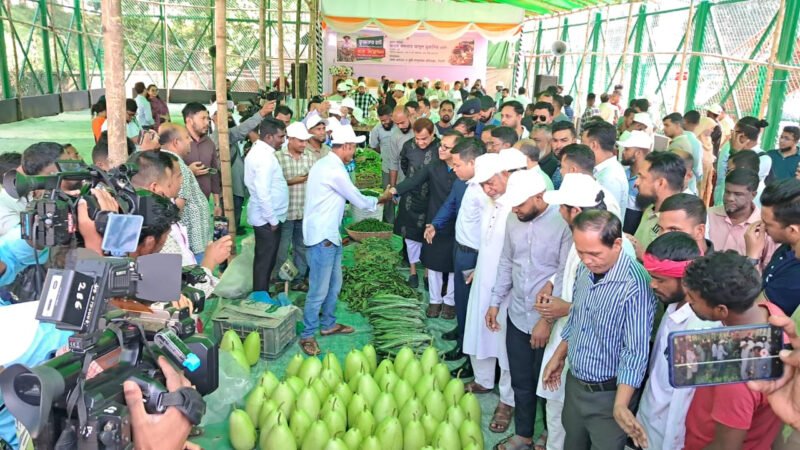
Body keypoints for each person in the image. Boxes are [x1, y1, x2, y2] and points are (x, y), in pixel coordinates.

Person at [541, 210, 656, 450]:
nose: (586, 260)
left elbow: (634, 352)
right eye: (580, 252)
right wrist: (558, 355)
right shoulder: (586, 270)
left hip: (609, 395)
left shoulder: (636, 286)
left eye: (594, 253)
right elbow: (578, 317)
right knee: (572, 441)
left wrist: (620, 405)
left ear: (617, 244)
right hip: (575, 385)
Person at [533, 173, 632, 450]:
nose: (560, 214)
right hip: (567, 338)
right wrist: (553, 284)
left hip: (593, 361)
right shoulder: (581, 235)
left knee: (576, 425)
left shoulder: (610, 250)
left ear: (575, 210)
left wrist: (565, 307)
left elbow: (613, 312)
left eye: (562, 208)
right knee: (558, 413)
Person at [487, 168, 571, 450]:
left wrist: (545, 322)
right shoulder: (513, 219)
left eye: (521, 204)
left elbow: (563, 273)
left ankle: (548, 433)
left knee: (548, 380)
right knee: (521, 378)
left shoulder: (562, 221)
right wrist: (495, 301)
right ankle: (523, 434)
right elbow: (507, 261)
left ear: (539, 197)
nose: (516, 209)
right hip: (517, 314)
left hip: (549, 322)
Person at [613, 232, 715, 450]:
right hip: (647, 426)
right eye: (652, 278)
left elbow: (682, 402)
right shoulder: (671, 305)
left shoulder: (700, 327)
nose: (653, 285)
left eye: (660, 280)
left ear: (686, 278)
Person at [300, 125, 392, 355]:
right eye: (354, 148)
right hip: (323, 237)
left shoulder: (325, 163)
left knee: (334, 285)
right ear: (347, 147)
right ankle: (307, 334)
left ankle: (329, 324)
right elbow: (358, 200)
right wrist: (382, 198)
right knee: (318, 290)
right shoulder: (334, 169)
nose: (355, 153)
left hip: (329, 234)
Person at [683, 251, 785, 450]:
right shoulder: (772, 313)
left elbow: (724, 446)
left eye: (693, 299)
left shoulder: (737, 372)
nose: (688, 302)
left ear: (722, 310)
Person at [462, 152, 516, 433]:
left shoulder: (517, 206)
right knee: (479, 330)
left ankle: (507, 400)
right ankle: (483, 379)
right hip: (483, 278)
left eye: (490, 183)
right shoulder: (489, 202)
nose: (487, 189)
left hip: (508, 287)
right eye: (482, 184)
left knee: (506, 343)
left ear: (505, 174)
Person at [427, 138, 486, 370]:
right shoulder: (462, 183)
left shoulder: (485, 190)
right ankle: (461, 336)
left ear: (472, 163)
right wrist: (435, 224)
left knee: (471, 304)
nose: (453, 169)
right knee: (462, 301)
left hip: (473, 254)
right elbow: (450, 205)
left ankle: (469, 353)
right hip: (459, 248)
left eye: (458, 164)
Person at [393, 131, 461, 318]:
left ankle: (449, 301)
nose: (441, 149)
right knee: (433, 261)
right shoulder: (434, 166)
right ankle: (434, 300)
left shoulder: (464, 171)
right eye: (441, 145)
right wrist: (394, 190)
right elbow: (414, 181)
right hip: (434, 219)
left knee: (453, 264)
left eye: (446, 147)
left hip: (457, 223)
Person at [158, 123, 214, 262]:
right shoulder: (177, 165)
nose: (190, 140)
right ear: (176, 142)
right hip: (192, 241)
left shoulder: (165, 160)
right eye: (187, 137)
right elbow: (178, 204)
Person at [245, 117, 289, 293]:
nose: (283, 140)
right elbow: (262, 193)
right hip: (266, 219)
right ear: (269, 137)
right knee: (265, 260)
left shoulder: (263, 153)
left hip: (267, 216)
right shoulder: (263, 158)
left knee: (266, 258)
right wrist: (273, 221)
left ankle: (262, 291)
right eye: (281, 137)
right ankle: (260, 295)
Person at [395, 119, 439, 289]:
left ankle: (428, 274)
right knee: (410, 236)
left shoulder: (440, 147)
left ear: (432, 134)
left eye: (425, 139)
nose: (420, 142)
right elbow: (405, 166)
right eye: (417, 138)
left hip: (431, 198)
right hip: (410, 198)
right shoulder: (408, 146)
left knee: (429, 237)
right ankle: (413, 272)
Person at [273, 122, 315, 290]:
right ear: (290, 139)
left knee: (302, 248)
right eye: (300, 141)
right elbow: (274, 184)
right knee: (282, 249)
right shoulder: (277, 157)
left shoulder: (310, 157)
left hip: (304, 211)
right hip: (285, 212)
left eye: (305, 141)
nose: (304, 144)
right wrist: (297, 180)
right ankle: (280, 280)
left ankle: (297, 279)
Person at [708, 169, 778, 269]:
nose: (730, 198)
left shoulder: (764, 226)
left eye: (738, 194)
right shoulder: (708, 215)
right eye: (727, 192)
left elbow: (768, 267)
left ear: (753, 195)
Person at [754, 179, 800, 316]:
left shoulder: (795, 277)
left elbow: (755, 317)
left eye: (767, 223)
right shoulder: (788, 246)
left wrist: (752, 256)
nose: (761, 226)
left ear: (792, 230)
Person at [631, 151, 686, 257]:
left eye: (642, 177)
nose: (636, 183)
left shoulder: (678, 223)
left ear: (660, 183)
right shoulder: (650, 208)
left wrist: (643, 255)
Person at [714, 116, 772, 206]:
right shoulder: (728, 148)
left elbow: (741, 179)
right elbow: (721, 177)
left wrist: (736, 153)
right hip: (722, 200)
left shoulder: (764, 159)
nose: (731, 135)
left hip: (745, 206)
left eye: (733, 132)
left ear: (742, 136)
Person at [181, 103, 222, 214]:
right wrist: (189, 171)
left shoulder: (209, 143)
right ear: (189, 120)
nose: (207, 122)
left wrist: (217, 204)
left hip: (204, 203)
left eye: (208, 119)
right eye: (202, 118)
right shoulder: (177, 141)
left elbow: (214, 173)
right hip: (182, 206)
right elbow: (167, 175)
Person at [583, 120, 628, 223]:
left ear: (593, 145)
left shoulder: (609, 178)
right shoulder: (601, 169)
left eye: (583, 143)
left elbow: (603, 219)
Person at [619, 130, 653, 235]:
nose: (623, 152)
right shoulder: (624, 173)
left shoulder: (648, 182)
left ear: (638, 153)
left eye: (627, 149)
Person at [663, 112, 703, 188]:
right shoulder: (684, 140)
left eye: (667, 125)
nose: (664, 129)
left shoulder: (679, 144)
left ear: (677, 125)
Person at [387, 107, 414, 190]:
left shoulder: (424, 128)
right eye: (397, 124)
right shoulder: (395, 136)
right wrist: (392, 187)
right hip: (404, 181)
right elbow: (393, 163)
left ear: (409, 116)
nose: (400, 126)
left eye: (402, 122)